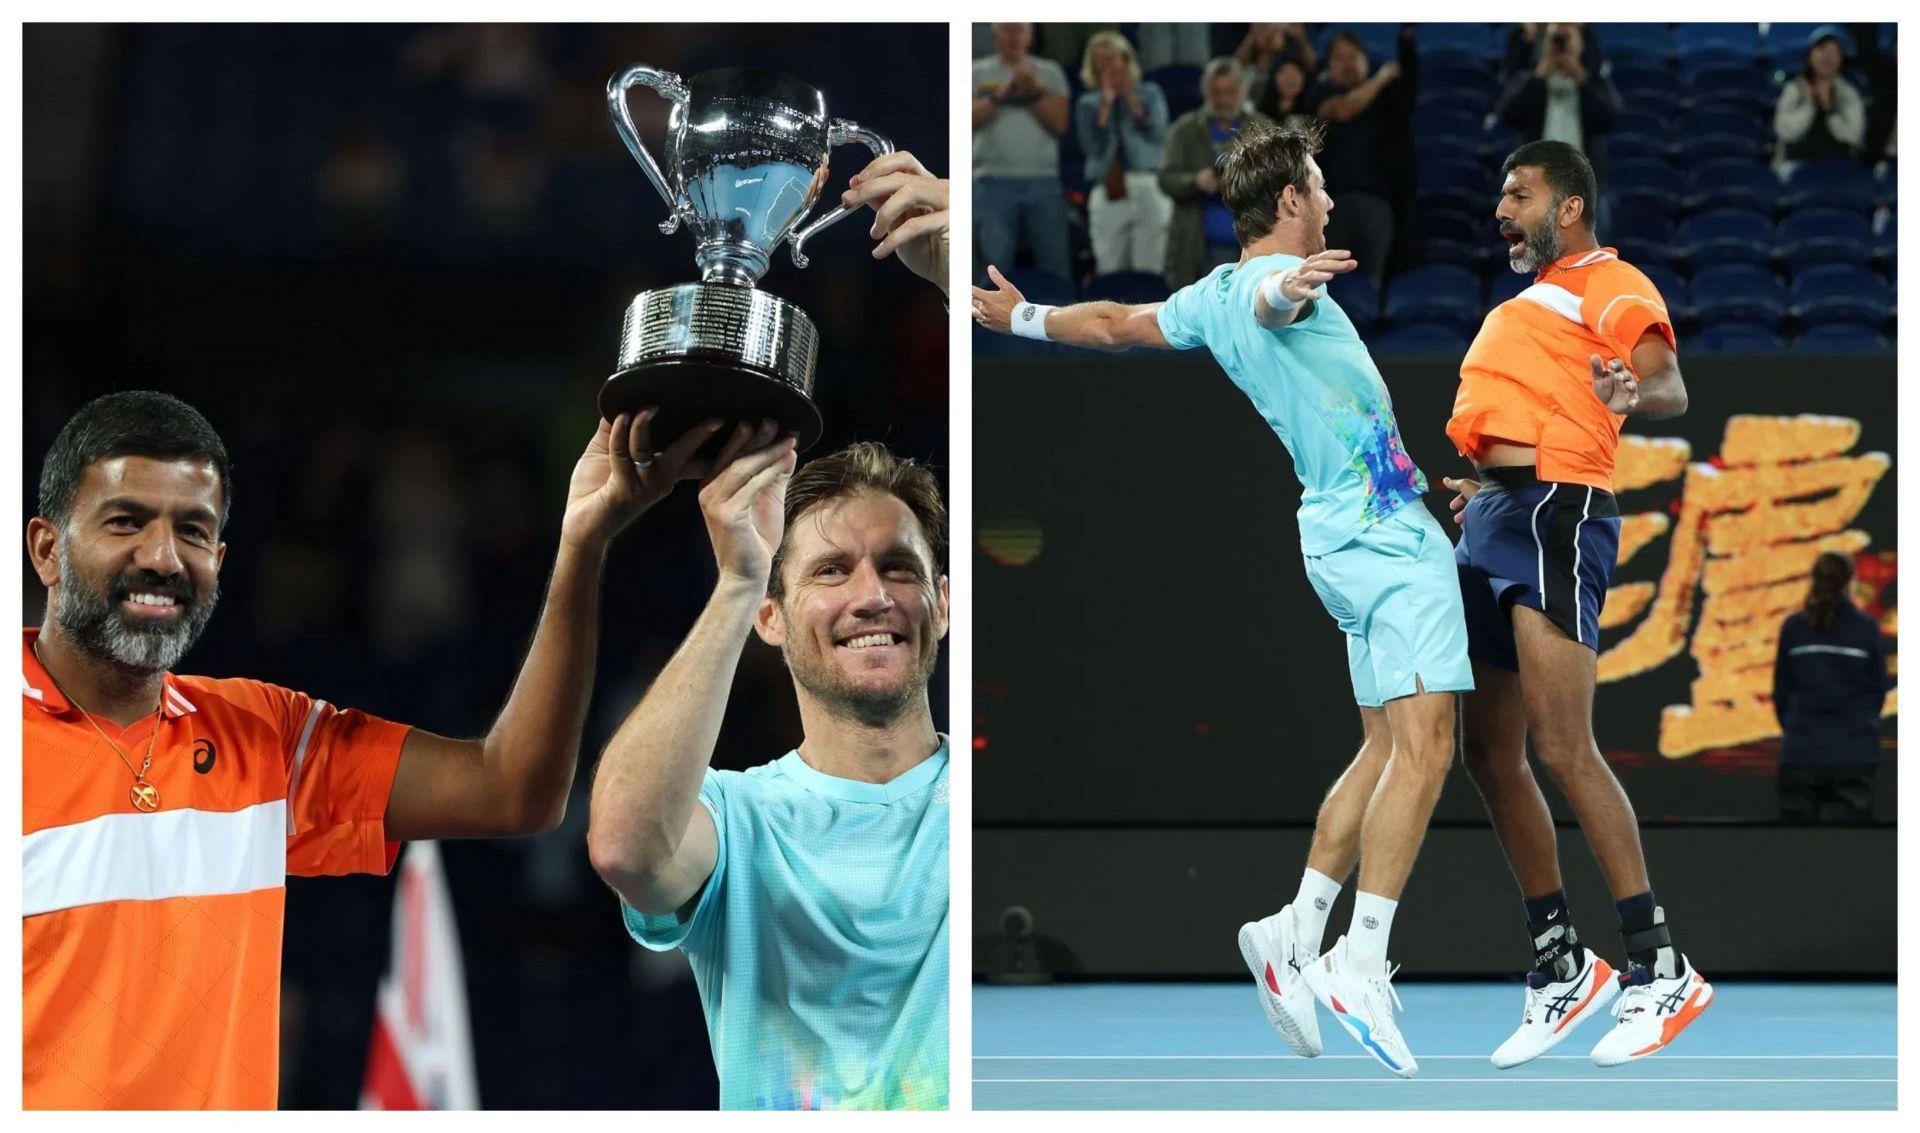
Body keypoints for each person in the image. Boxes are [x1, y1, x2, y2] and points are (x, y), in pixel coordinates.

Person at [22, 390, 715, 1108]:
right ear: (47, 548)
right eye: (126, 521)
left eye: (192, 530)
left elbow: (514, 789)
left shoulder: (264, 735)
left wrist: (583, 541)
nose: (163, 556)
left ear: (219, 558)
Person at [974, 121, 1473, 1079]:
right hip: (1385, 538)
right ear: (1288, 204)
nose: (1328, 198)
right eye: (1319, 187)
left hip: (1336, 536)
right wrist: (1291, 284)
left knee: (1381, 746)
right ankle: (1360, 962)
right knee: (1430, 744)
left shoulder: (1206, 296)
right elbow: (1277, 299)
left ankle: (1295, 926)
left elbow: (1117, 326)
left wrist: (1023, 317)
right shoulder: (1256, 285)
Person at [1442, 140, 1708, 1070]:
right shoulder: (1525, 303)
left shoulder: (1607, 276)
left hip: (1560, 507)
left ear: (1569, 209)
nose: (1500, 209)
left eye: (1519, 194)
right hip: (1496, 514)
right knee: (1487, 750)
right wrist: (1484, 484)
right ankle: (1561, 963)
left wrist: (1638, 389)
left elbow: (1666, 382)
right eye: (1499, 194)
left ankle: (1660, 962)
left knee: (1561, 744)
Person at [586, 432, 951, 1109]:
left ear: (944, 602)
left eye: (898, 566)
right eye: (832, 571)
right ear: (770, 617)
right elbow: (623, 845)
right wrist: (736, 581)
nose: (872, 595)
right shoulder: (736, 819)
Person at [1772, 551, 1891, 823]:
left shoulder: (1793, 628)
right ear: (1851, 581)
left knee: (1794, 853)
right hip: (1854, 754)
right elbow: (1878, 690)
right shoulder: (1866, 629)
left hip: (1802, 753)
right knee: (1850, 856)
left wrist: (1797, 727)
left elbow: (1781, 692)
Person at [1302, 29, 1419, 285]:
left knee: (1371, 281)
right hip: (1331, 205)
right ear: (1329, 65)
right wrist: (1382, 77)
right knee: (1324, 283)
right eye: (1340, 58)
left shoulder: (1386, 99)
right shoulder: (1320, 93)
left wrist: (1407, 37)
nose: (1348, 64)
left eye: (1353, 57)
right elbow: (1343, 111)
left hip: (1377, 203)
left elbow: (1410, 81)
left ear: (1365, 61)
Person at [1157, 59, 1273, 289]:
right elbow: (1166, 179)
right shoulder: (1184, 129)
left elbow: (1280, 179)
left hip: (1250, 246)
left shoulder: (1263, 128)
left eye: (1230, 92)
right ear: (1205, 93)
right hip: (1196, 246)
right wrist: (1195, 181)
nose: (1223, 100)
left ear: (1243, 92)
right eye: (1216, 92)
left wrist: (1245, 182)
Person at [973, 21, 1073, 281]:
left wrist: (1034, 92)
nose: (1013, 37)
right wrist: (1000, 95)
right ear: (995, 34)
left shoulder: (1050, 72)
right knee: (993, 269)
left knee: (1055, 266)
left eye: (1020, 30)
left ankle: (1062, 320)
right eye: (1007, 30)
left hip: (1044, 181)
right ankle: (986, 323)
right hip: (990, 182)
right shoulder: (976, 71)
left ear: (1030, 34)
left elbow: (1060, 123)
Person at [1075, 30, 1173, 275]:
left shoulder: (1150, 93)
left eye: (1113, 57)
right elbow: (1091, 146)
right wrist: (1106, 104)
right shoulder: (1087, 103)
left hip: (1147, 181)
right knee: (1109, 264)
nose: (1108, 65)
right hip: (1107, 189)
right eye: (1101, 59)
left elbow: (1158, 134)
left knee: (1151, 264)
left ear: (1126, 59)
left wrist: (1130, 96)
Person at [1494, 25, 1622, 195]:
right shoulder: (1527, 80)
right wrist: (1541, 72)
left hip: (1584, 184)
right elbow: (1508, 114)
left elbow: (1610, 119)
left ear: (1581, 44)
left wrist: (1580, 76)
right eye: (1555, 39)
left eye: (1567, 39)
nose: (1560, 45)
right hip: (1534, 183)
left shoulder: (1594, 82)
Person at [1774, 26, 1867, 167]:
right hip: (1795, 166)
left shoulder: (1848, 93)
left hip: (1839, 167)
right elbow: (1784, 131)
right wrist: (1809, 106)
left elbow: (1854, 136)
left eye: (1834, 51)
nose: (1827, 57)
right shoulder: (1795, 88)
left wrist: (1830, 110)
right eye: (1822, 50)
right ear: (1810, 55)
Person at [1256, 58, 1316, 133]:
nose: (1290, 78)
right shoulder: (1259, 114)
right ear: (1274, 77)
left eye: (1295, 73)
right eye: (1284, 72)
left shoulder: (1311, 115)